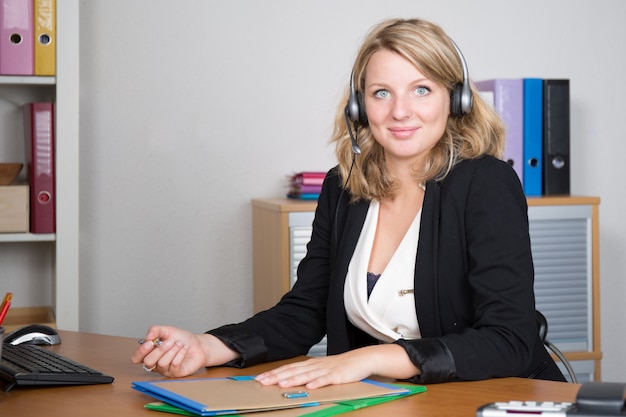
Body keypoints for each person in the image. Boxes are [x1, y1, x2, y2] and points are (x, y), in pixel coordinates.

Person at [131, 17, 566, 387]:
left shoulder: (485, 184)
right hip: (390, 402)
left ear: (455, 99)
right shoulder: (344, 187)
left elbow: (509, 339)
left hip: (490, 400)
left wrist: (371, 359)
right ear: (359, 106)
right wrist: (207, 345)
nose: (400, 111)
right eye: (381, 93)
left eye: (421, 89)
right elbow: (306, 310)